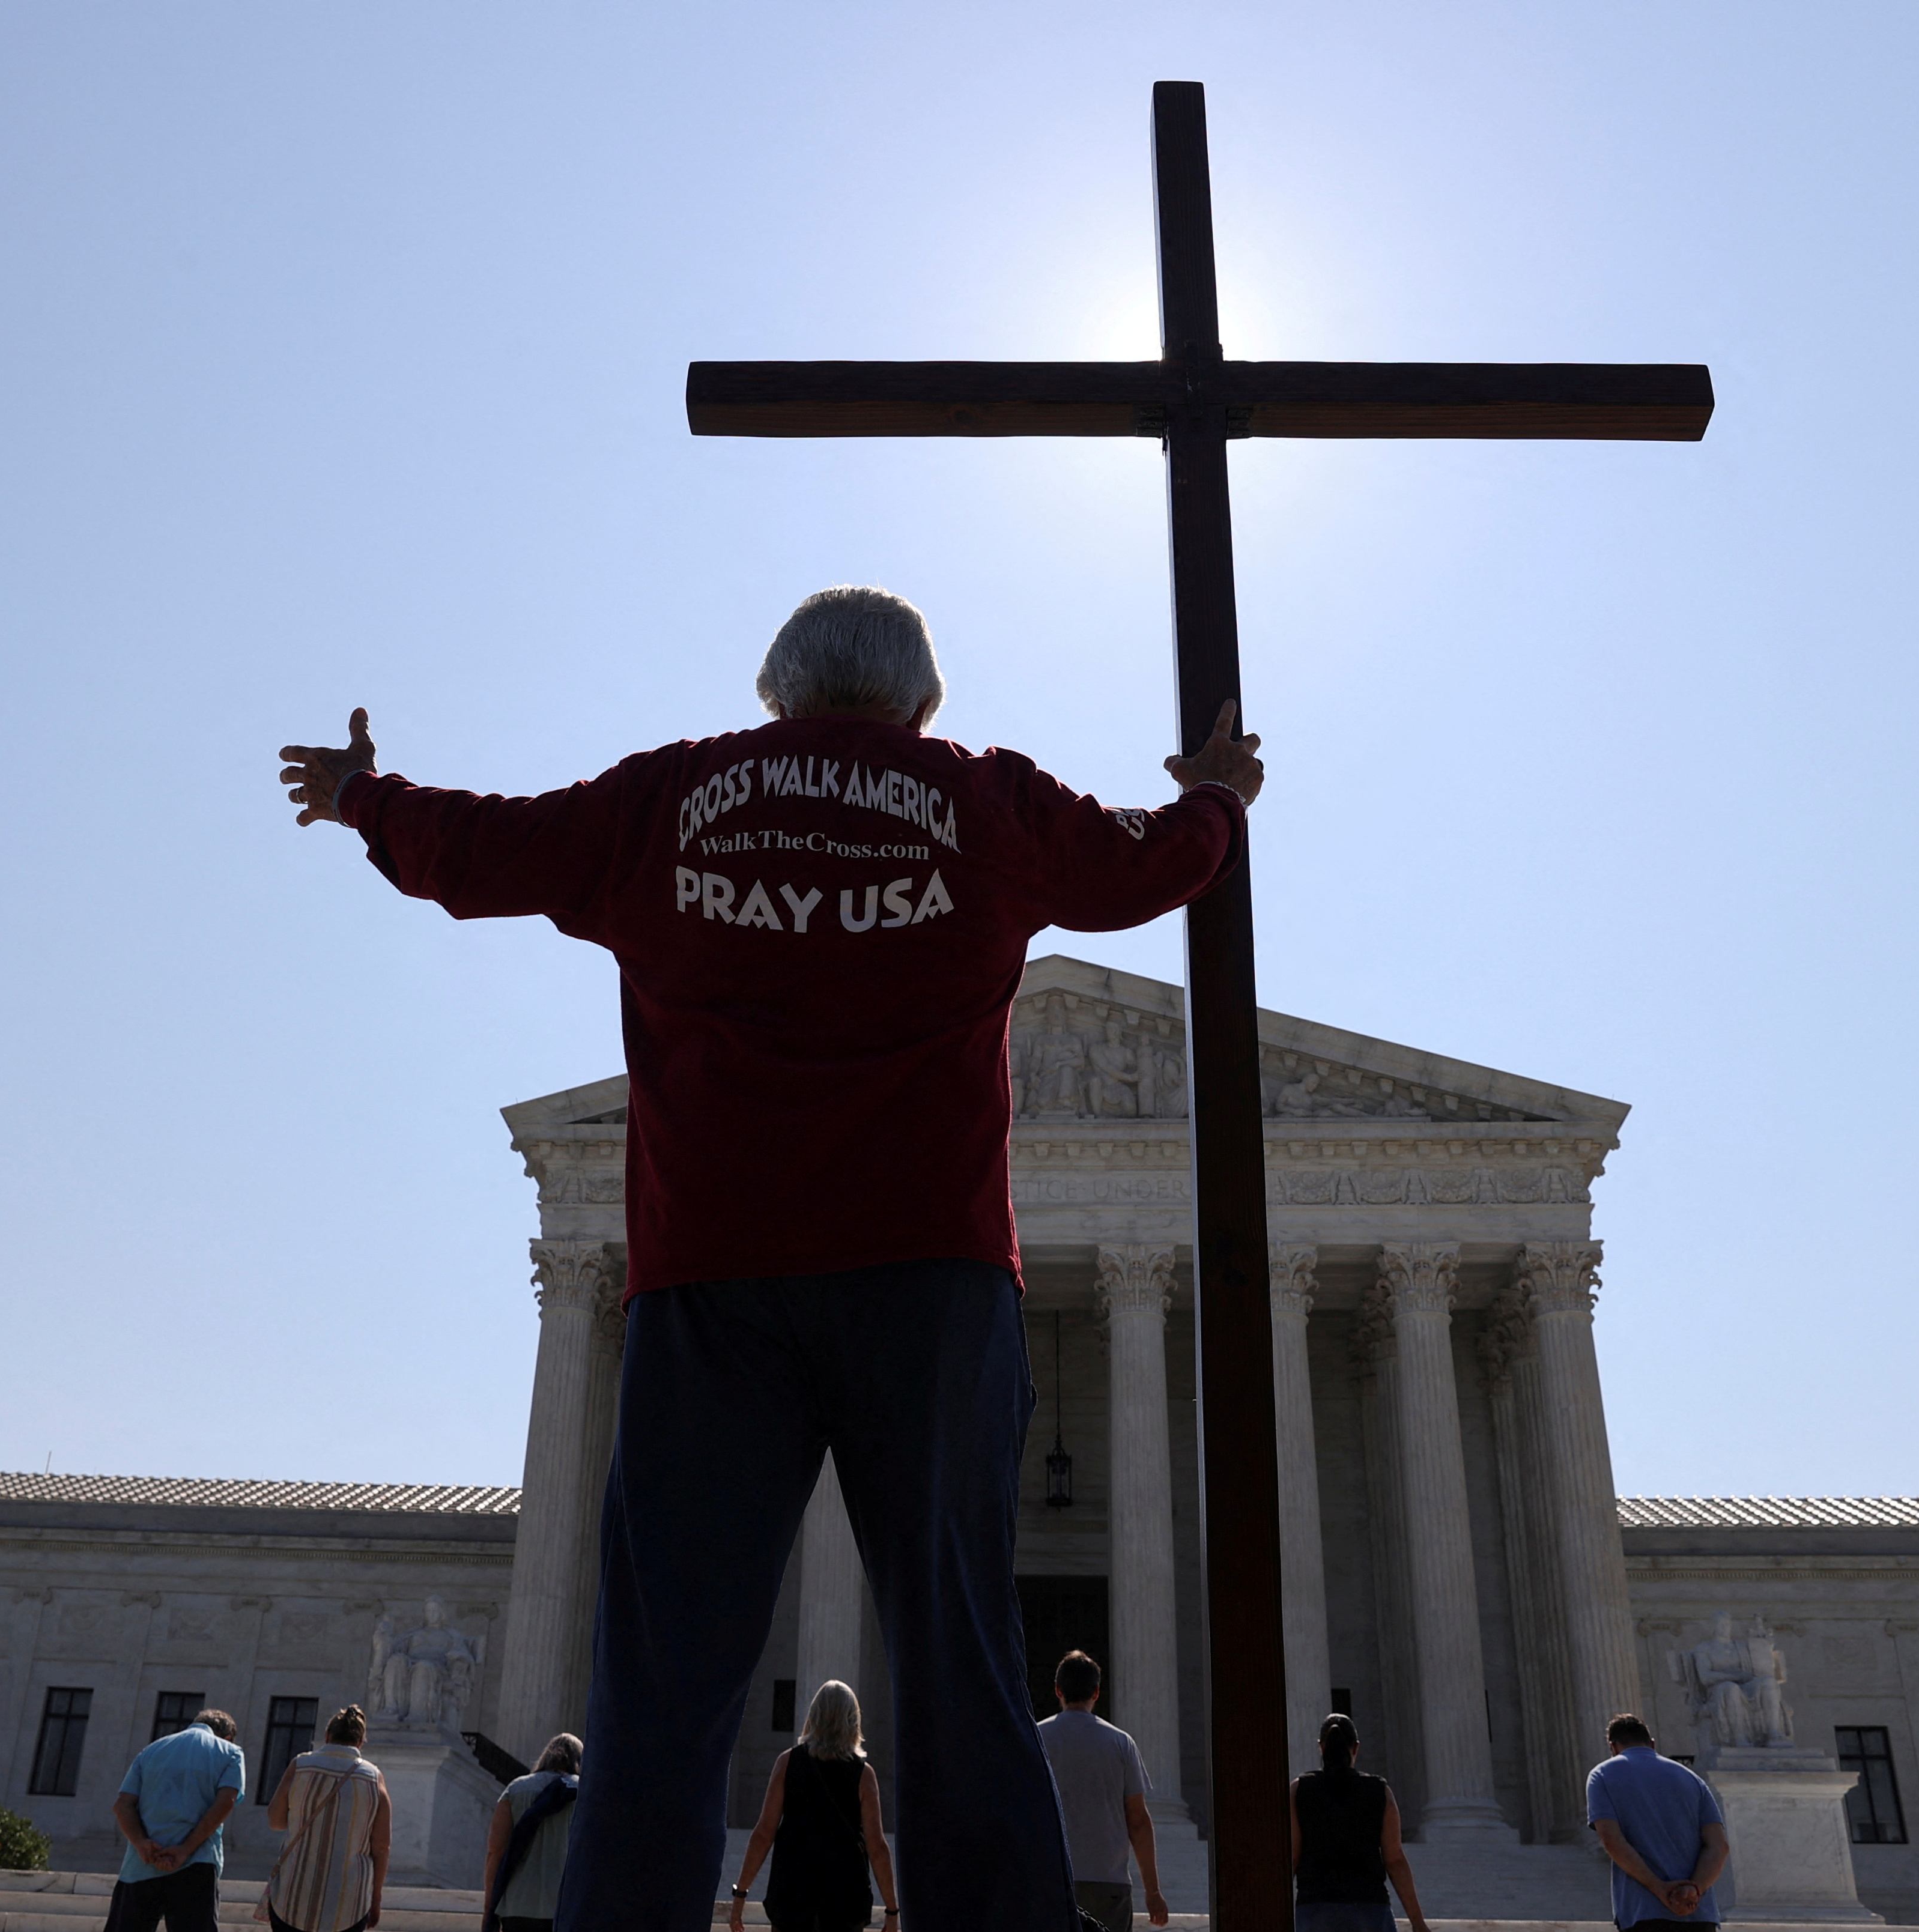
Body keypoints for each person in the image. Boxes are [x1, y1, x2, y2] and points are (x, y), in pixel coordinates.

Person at [278, 584, 1266, 1932]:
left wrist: (364, 799)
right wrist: (1217, 798)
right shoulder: (985, 800)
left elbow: (483, 851)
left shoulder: (670, 801)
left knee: (665, 1685)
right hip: (930, 1279)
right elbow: (1149, 864)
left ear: (773, 693)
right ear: (921, 702)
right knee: (965, 1667)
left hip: (713, 1286)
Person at [730, 1682, 899, 1932]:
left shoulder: (787, 1763)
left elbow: (764, 1833)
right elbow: (877, 1847)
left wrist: (741, 1894)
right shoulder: (863, 1775)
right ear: (853, 1721)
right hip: (844, 1902)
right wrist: (892, 1911)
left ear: (813, 1717)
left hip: (793, 1897)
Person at [1034, 1651, 1167, 1931]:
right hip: (1109, 1883)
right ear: (1096, 1692)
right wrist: (1153, 1892)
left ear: (1058, 1690)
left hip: (1050, 1879)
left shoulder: (1036, 1738)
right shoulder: (1121, 1743)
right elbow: (1138, 1821)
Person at [1585, 1714, 1729, 1930]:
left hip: (1644, 1912)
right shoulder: (1692, 1779)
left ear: (1613, 1747)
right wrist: (1695, 1890)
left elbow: (1612, 1840)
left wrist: (1660, 1889)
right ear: (1652, 1744)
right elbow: (1719, 1846)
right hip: (1699, 1914)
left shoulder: (1602, 1775)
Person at [107, 1707, 246, 1932]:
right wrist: (185, 1849)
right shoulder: (230, 1752)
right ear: (228, 1736)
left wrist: (141, 1843)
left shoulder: (151, 1751)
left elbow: (123, 1805)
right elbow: (225, 1802)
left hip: (142, 1864)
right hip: (196, 1862)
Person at [1290, 1713, 1429, 1932]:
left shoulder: (1299, 1790)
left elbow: (1293, 1857)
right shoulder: (1380, 1791)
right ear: (1356, 1748)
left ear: (1321, 1747)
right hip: (1370, 1909)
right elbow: (1394, 1860)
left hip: (1315, 1908)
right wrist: (1418, 1924)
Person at [259, 1704, 389, 1932]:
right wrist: (375, 1899)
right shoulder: (373, 1779)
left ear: (327, 1736)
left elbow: (275, 1821)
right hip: (348, 1904)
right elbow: (381, 1846)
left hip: (292, 1897)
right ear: (360, 1743)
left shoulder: (300, 1766)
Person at [484, 1732, 583, 1932]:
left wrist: (489, 1909)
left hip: (518, 1904)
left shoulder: (516, 1789)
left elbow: (496, 1850)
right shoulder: (585, 1792)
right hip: (567, 1904)